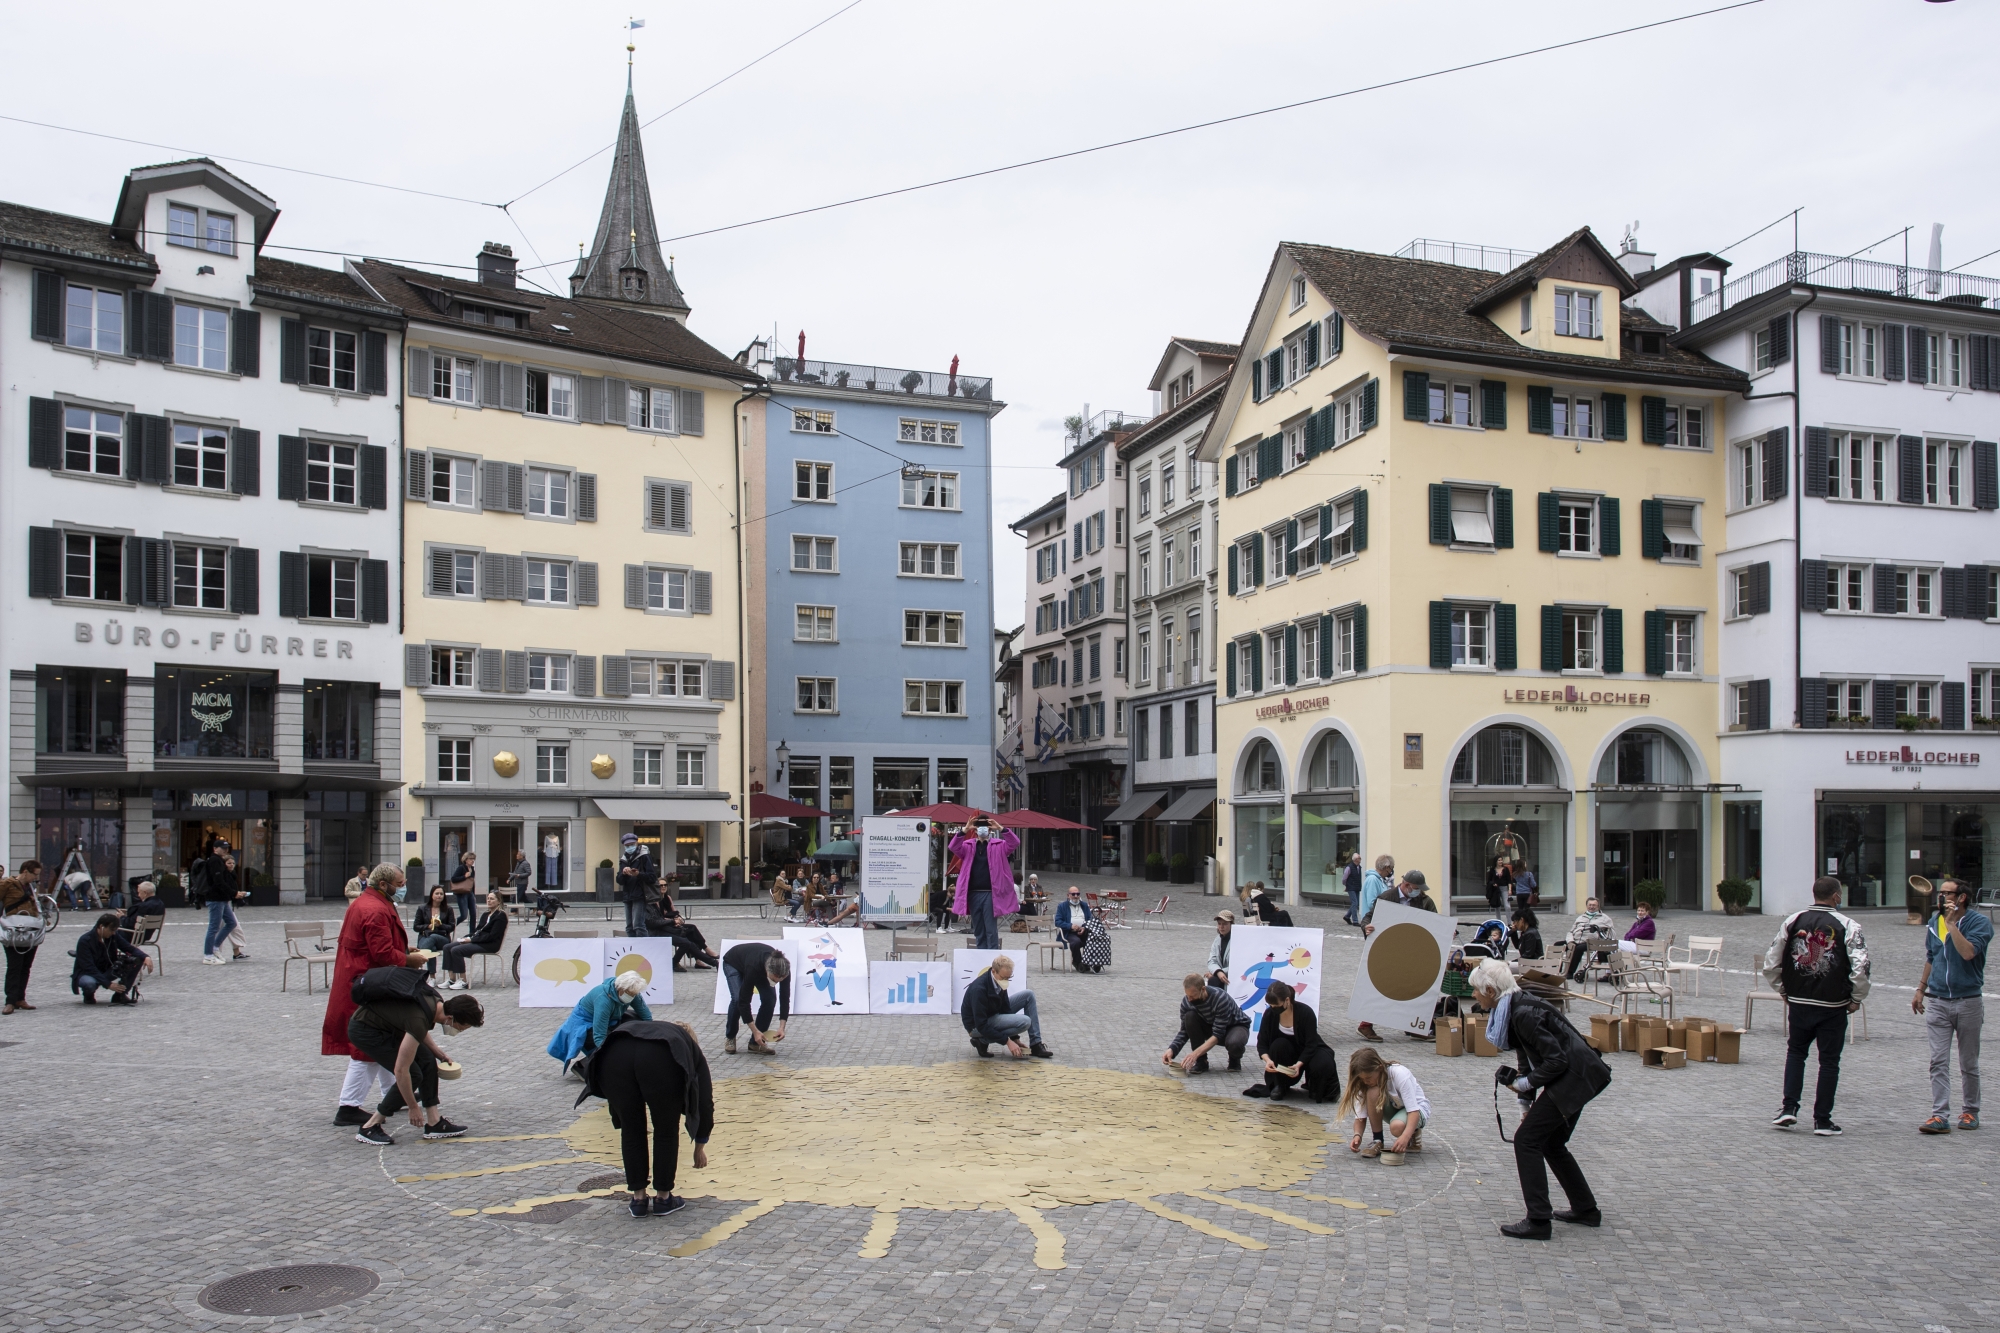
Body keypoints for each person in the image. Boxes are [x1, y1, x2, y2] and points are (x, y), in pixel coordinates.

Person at [1469, 957, 1610, 1238]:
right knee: (1552, 1143)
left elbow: (1555, 1061)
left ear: (1490, 992)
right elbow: (1527, 1055)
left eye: (1475, 990)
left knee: (1527, 1140)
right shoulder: (1517, 1005)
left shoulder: (1522, 1013)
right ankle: (1586, 1209)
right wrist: (1525, 1100)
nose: (1472, 995)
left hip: (1577, 1077)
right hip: (1583, 1073)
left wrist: (1524, 1085)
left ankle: (1538, 1220)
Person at [1763, 876, 1871, 1136]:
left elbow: (1771, 961)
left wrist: (1784, 989)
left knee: (1796, 1053)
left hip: (1800, 1001)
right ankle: (1822, 1120)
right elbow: (1861, 967)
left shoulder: (1793, 920)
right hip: (1833, 1004)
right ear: (1836, 896)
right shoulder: (1848, 925)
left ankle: (1789, 1107)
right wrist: (1856, 998)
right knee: (1830, 1062)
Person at [573, 1018, 715, 1217]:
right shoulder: (686, 1048)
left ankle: (638, 1199)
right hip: (657, 1059)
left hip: (615, 1053)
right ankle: (664, 1198)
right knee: (666, 1129)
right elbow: (704, 1102)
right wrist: (700, 1145)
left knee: (631, 1129)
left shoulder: (653, 1029)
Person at [326, 864, 416, 1127]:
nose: (403, 887)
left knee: (382, 1041)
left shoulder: (368, 902)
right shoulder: (375, 909)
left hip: (362, 981)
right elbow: (382, 954)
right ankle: (349, 1106)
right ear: (384, 884)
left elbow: (376, 945)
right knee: (369, 1045)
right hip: (368, 985)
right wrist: (410, 959)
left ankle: (394, 1093)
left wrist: (401, 948)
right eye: (400, 884)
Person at [349, 978, 483, 1146]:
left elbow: (420, 1026)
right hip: (366, 1030)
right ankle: (370, 1126)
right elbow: (401, 1070)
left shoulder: (436, 1003)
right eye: (462, 1027)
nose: (459, 1031)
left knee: (427, 1060)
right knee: (412, 1074)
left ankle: (434, 1123)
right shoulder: (419, 1019)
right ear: (450, 1018)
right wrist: (413, 1107)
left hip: (390, 1027)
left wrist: (438, 1053)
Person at [1915, 878, 1989, 1134]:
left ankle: (1970, 1111)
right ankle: (1939, 1115)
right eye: (1941, 893)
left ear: (1962, 898)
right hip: (1937, 1001)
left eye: (1948, 893)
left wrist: (1952, 924)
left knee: (1968, 1062)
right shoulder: (1934, 922)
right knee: (1937, 1061)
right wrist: (1920, 989)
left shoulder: (1979, 923)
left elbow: (1968, 953)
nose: (1941, 897)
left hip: (1968, 1001)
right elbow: (1932, 957)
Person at [1244, 980, 1339, 1102]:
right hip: (1285, 1052)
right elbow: (1262, 1043)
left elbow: (1311, 1043)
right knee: (1278, 1045)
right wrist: (1267, 1060)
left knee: (1323, 1061)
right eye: (1271, 1006)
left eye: (1276, 1006)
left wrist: (1299, 1064)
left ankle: (1317, 1086)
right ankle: (1280, 1085)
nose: (1273, 1009)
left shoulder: (1306, 1012)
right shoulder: (1270, 1014)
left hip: (1308, 1049)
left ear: (1287, 1001)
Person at [1340, 1046, 1430, 1164]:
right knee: (1372, 1092)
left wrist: (1405, 1137)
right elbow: (1360, 1117)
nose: (1365, 1081)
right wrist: (1357, 1135)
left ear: (1380, 1068)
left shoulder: (1400, 1074)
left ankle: (1414, 1132)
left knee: (1396, 1127)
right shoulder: (1365, 1083)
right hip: (1396, 1108)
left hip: (1418, 1110)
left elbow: (1413, 1111)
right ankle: (1377, 1140)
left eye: (1368, 1078)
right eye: (1362, 1079)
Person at [548, 970, 653, 1069]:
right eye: (629, 994)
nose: (631, 997)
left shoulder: (632, 992)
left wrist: (651, 1034)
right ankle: (585, 1067)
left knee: (635, 1023)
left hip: (611, 1018)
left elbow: (645, 1015)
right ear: (620, 988)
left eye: (633, 995)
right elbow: (599, 1035)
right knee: (609, 1045)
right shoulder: (603, 1000)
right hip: (586, 1023)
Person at [949, 817, 1021, 951]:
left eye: (985, 826)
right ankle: (981, 955)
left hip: (990, 893)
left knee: (991, 929)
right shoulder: (968, 845)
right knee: (978, 929)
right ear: (975, 830)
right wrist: (964, 830)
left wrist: (1001, 828)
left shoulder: (999, 845)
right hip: (973, 893)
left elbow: (1015, 843)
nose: (983, 829)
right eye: (980, 826)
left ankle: (993, 956)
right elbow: (953, 847)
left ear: (989, 830)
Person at [961, 954, 1052, 1058]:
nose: (1006, 980)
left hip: (992, 1013)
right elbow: (981, 1025)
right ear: (994, 971)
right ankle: (982, 1041)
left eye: (1008, 978)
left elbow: (1005, 1009)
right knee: (1025, 1021)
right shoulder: (979, 989)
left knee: (1029, 995)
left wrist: (1015, 1039)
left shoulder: (998, 979)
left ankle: (1036, 1044)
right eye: (1003, 978)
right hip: (976, 1026)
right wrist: (1008, 1041)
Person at [1164, 972, 1249, 1074]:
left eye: (1193, 996)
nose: (1190, 999)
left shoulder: (1220, 998)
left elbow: (1218, 1034)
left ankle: (1234, 1058)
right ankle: (1202, 1062)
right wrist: (1172, 1050)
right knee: (1189, 1017)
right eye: (1187, 996)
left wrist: (1194, 1054)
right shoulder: (1186, 1002)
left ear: (1203, 989)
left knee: (1235, 1042)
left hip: (1235, 1026)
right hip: (1211, 1025)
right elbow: (1184, 1031)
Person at [721, 941, 792, 1055]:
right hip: (733, 963)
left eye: (779, 981)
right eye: (773, 980)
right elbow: (744, 1001)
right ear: (768, 971)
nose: (775, 983)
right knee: (737, 999)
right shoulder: (754, 968)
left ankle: (755, 1043)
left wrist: (782, 1027)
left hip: (755, 963)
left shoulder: (784, 969)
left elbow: (785, 997)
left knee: (770, 999)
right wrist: (755, 1031)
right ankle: (730, 1036)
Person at [72, 912, 151, 1004]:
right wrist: (108, 984)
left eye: (115, 930)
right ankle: (88, 995)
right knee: (90, 983)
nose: (113, 933)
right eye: (111, 930)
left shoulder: (113, 936)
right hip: (88, 973)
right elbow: (89, 967)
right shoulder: (85, 941)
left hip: (108, 969)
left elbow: (128, 948)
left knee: (136, 960)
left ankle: (120, 994)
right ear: (101, 927)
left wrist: (145, 957)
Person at [1, 860, 46, 1013]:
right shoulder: (8, 883)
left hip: (30, 932)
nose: (36, 878)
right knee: (14, 966)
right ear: (25, 871)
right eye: (35, 874)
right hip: (14, 931)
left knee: (26, 966)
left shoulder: (31, 888)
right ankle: (10, 1001)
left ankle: (20, 998)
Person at [441, 891, 508, 990]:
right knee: (447, 947)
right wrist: (467, 937)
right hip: (478, 940)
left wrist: (472, 940)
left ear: (499, 901)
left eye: (492, 899)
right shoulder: (486, 914)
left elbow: (492, 936)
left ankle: (463, 981)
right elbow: (477, 930)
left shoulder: (500, 916)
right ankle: (452, 979)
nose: (489, 901)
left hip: (490, 944)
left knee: (456, 950)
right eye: (488, 898)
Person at [200, 845, 248, 965]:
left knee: (231, 923)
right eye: (229, 863)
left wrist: (235, 893)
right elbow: (219, 883)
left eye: (233, 863)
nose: (231, 865)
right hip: (216, 899)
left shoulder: (226, 869)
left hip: (223, 899)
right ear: (215, 848)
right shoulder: (215, 862)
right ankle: (208, 955)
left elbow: (226, 885)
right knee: (214, 927)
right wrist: (234, 893)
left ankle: (216, 947)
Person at [1563, 897, 1616, 980]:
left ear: (1598, 906)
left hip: (1592, 942)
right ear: (1587, 906)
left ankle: (1570, 972)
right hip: (1576, 940)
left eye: (1594, 905)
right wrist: (1570, 941)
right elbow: (1571, 931)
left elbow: (1611, 932)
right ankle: (1556, 969)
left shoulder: (1605, 918)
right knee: (1558, 945)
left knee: (1578, 948)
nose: (1592, 907)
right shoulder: (1580, 917)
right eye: (1590, 905)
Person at [410, 884, 456, 978]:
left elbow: (451, 927)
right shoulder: (422, 909)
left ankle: (414, 962)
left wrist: (441, 925)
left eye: (441, 894)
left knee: (433, 937)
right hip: (425, 936)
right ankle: (432, 977)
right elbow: (416, 927)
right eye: (437, 893)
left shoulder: (448, 909)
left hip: (442, 938)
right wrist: (428, 926)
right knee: (432, 948)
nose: (439, 895)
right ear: (432, 895)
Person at [617, 834, 657, 938]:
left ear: (636, 843)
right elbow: (619, 880)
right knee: (629, 927)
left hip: (640, 895)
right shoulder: (624, 859)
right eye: (627, 845)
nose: (630, 847)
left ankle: (645, 950)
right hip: (627, 895)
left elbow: (652, 877)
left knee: (639, 925)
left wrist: (638, 874)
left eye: (632, 844)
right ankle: (633, 949)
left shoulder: (644, 856)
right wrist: (624, 874)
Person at [1054, 886, 1092, 972]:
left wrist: (1084, 927)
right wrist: (1070, 926)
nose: (1076, 896)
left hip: (1083, 931)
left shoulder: (1084, 905)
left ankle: (1088, 961)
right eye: (1073, 894)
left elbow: (1090, 919)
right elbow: (1057, 922)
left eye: (1077, 894)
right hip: (1069, 932)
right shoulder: (1062, 906)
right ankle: (1077, 962)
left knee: (1093, 939)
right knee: (1076, 942)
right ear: (1068, 895)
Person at [1358, 855, 1395, 937]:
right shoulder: (1373, 880)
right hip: (1372, 923)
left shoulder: (1381, 880)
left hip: (1378, 920)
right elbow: (1372, 903)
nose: (1391, 871)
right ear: (1387, 867)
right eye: (1391, 868)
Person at [448, 851, 478, 937]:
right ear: (465, 859)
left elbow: (472, 883)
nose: (472, 861)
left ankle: (472, 933)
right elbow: (453, 879)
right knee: (464, 915)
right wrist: (464, 876)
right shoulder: (461, 868)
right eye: (470, 859)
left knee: (473, 914)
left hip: (470, 893)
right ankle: (450, 927)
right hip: (462, 894)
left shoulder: (472, 869)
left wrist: (473, 894)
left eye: (473, 859)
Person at [1205, 909, 1234, 988]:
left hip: (1233, 976)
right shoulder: (1217, 939)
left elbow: (1237, 964)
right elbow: (1211, 960)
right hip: (1220, 975)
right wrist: (1217, 972)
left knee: (1213, 981)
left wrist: (1219, 972)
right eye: (1219, 924)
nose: (1221, 927)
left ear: (1231, 924)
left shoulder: (1237, 940)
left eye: (1224, 924)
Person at [1342, 852, 1364, 926]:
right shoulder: (1349, 867)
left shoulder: (1359, 867)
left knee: (1356, 903)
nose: (1360, 859)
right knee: (1355, 903)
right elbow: (1344, 878)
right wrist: (1346, 885)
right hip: (1351, 887)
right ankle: (1355, 921)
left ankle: (1347, 916)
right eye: (1359, 858)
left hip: (1356, 887)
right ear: (1355, 859)